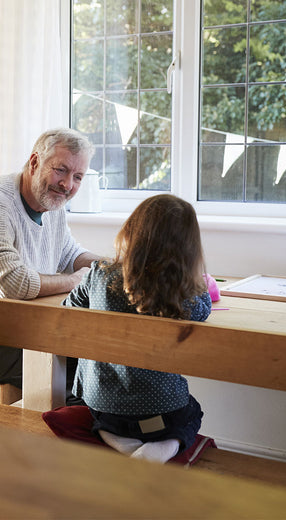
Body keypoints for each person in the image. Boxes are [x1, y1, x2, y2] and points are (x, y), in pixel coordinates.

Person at [0, 128, 104, 391]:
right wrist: (74, 281)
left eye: (78, 177)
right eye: (60, 170)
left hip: (23, 328)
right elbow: (7, 284)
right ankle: (44, 431)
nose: (67, 185)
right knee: (88, 374)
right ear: (34, 162)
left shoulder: (52, 206)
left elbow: (70, 255)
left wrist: (116, 267)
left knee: (99, 357)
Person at [66, 194, 212, 463]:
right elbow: (205, 310)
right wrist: (199, 284)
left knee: (97, 416)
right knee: (193, 412)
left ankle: (117, 440)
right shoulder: (186, 295)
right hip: (162, 414)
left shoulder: (99, 274)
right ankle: (165, 446)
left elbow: (70, 306)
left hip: (106, 409)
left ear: (131, 230)